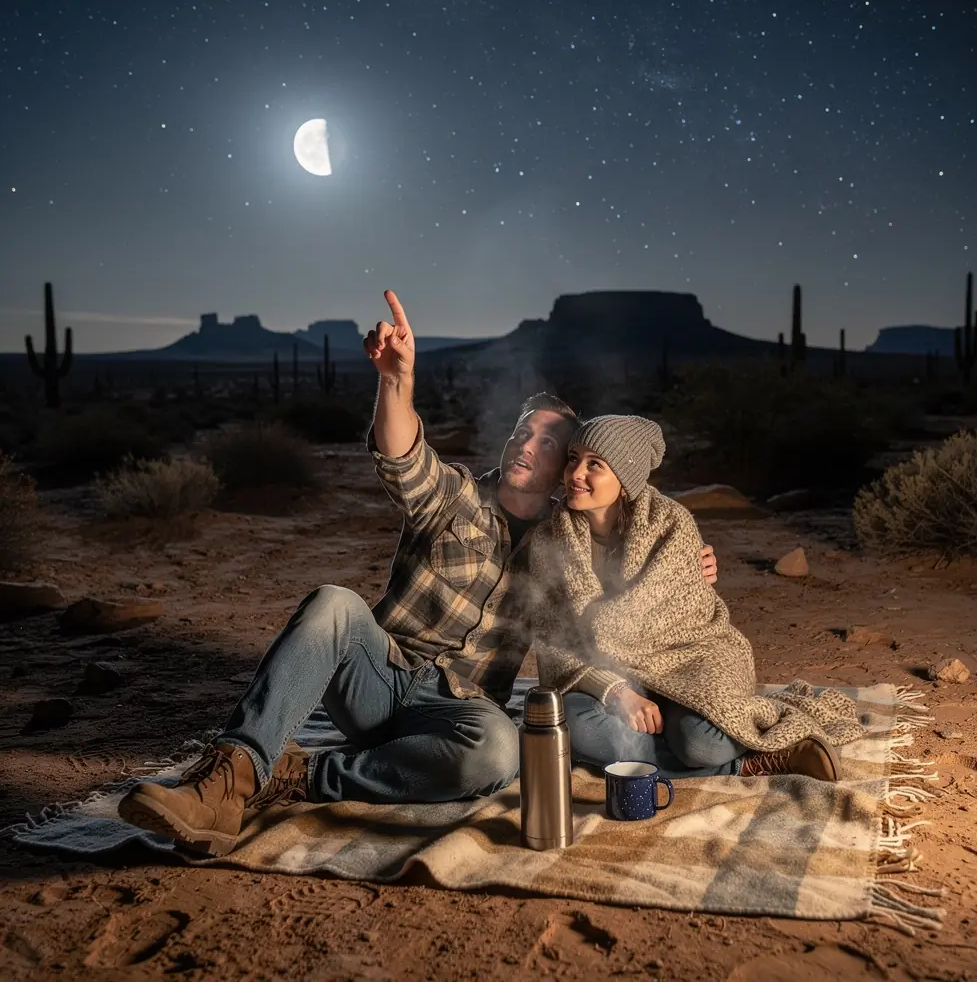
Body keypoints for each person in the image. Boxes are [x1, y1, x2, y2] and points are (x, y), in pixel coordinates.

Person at [117, 291, 719, 855]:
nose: (524, 445)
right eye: (520, 431)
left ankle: (302, 775)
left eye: (546, 442)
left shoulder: (566, 542)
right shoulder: (454, 495)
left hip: (458, 711)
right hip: (378, 679)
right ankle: (226, 778)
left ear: (566, 468)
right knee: (332, 601)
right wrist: (396, 382)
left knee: (497, 752)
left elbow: (622, 569)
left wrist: (687, 565)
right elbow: (404, 457)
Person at [530, 414, 867, 783]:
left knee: (702, 745)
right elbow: (552, 641)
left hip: (689, 658)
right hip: (604, 675)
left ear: (625, 479)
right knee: (584, 734)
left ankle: (721, 746)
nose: (576, 473)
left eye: (595, 464)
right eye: (573, 458)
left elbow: (678, 623)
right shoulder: (550, 540)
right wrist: (616, 692)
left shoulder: (672, 526)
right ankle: (746, 764)